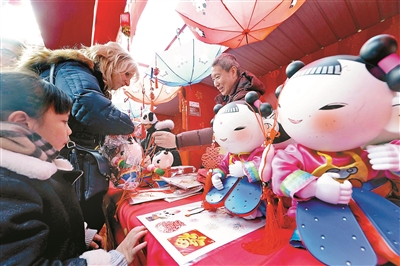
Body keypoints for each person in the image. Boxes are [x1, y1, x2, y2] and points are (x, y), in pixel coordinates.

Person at [0, 71, 147, 265]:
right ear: (22, 122)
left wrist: (77, 236)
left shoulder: (29, 173)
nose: (69, 131)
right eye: (63, 121)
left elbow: (46, 226)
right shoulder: (9, 188)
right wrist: (112, 260)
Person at [16, 41, 140, 231]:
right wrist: (128, 125)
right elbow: (86, 105)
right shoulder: (73, 69)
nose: (127, 82)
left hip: (63, 159)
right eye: (127, 74)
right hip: (61, 159)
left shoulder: (81, 75)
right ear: (111, 63)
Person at [152, 53, 266, 150]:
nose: (215, 83)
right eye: (213, 79)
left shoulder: (245, 98)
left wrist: (178, 140)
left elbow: (223, 130)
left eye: (218, 77)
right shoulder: (232, 98)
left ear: (232, 71)